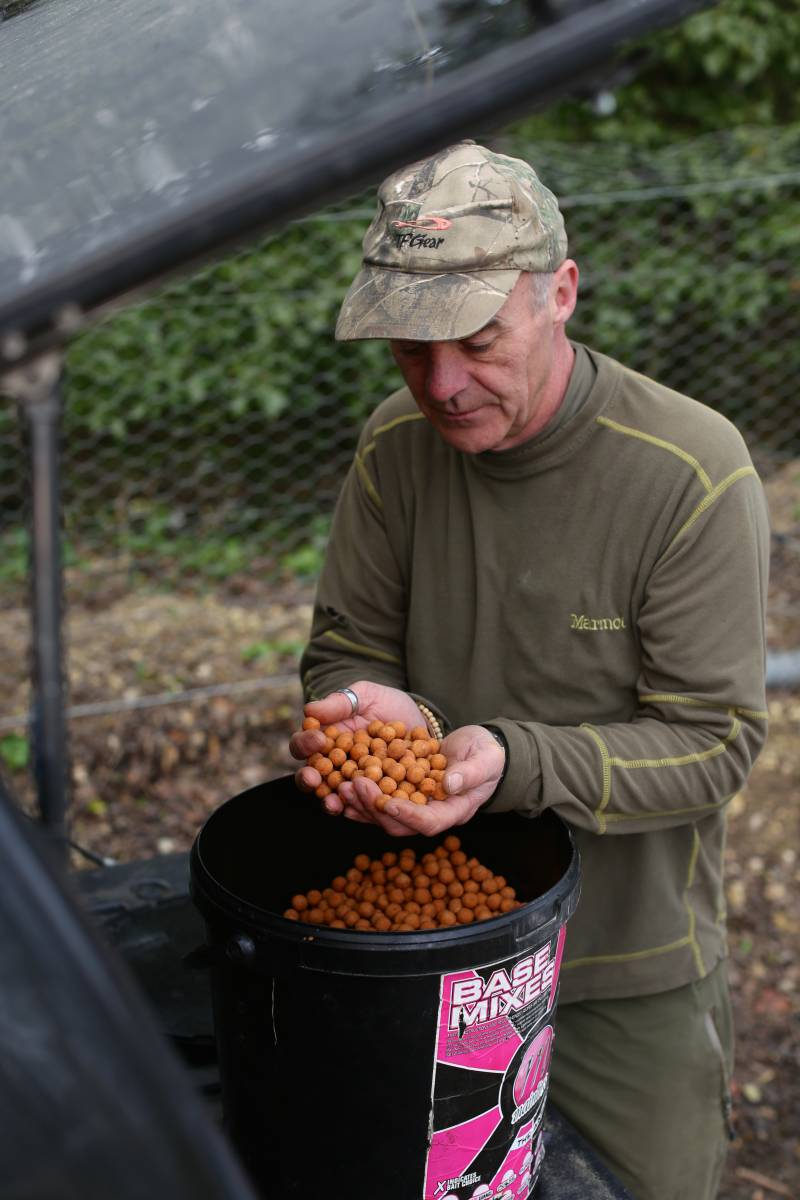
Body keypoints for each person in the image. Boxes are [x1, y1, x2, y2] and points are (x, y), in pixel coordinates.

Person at [289, 141, 770, 1199]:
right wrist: (379, 711)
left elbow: (712, 744)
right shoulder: (393, 448)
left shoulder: (686, 474)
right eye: (410, 349)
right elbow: (347, 647)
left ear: (558, 291)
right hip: (423, 944)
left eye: (474, 340)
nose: (441, 384)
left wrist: (506, 762)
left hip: (617, 965)